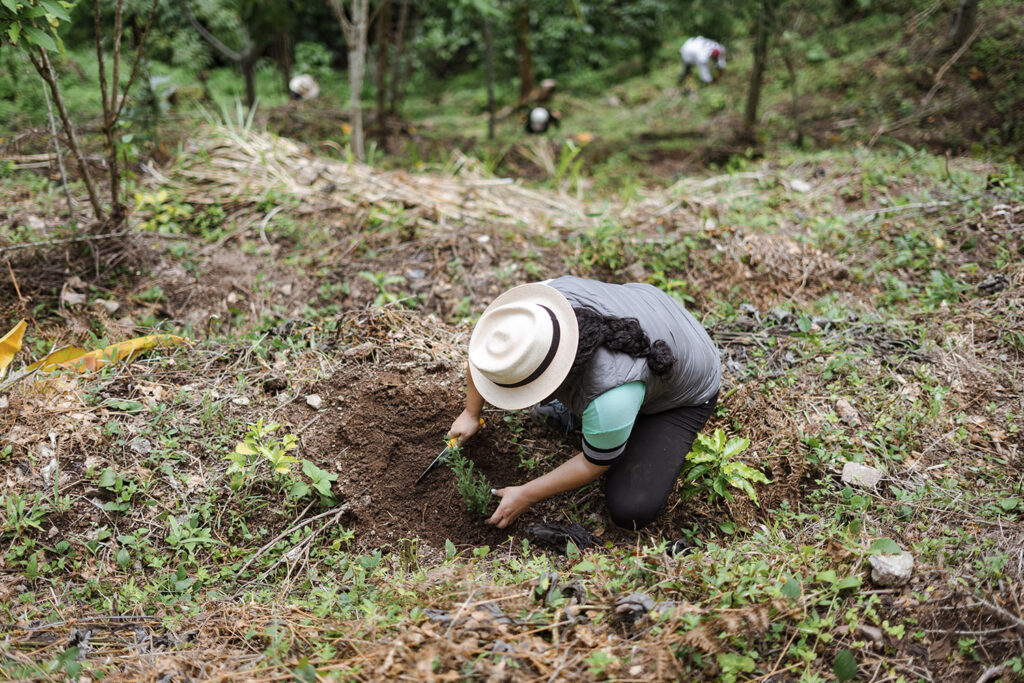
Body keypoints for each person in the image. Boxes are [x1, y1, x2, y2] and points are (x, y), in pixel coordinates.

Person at [446, 277, 722, 531]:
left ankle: (630, 424)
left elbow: (594, 464)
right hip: (648, 309)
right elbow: (486, 352)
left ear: (557, 376)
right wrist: (471, 412)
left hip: (685, 386)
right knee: (571, 413)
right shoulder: (536, 313)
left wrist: (527, 493)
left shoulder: (609, 397)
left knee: (632, 508)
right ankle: (608, 424)